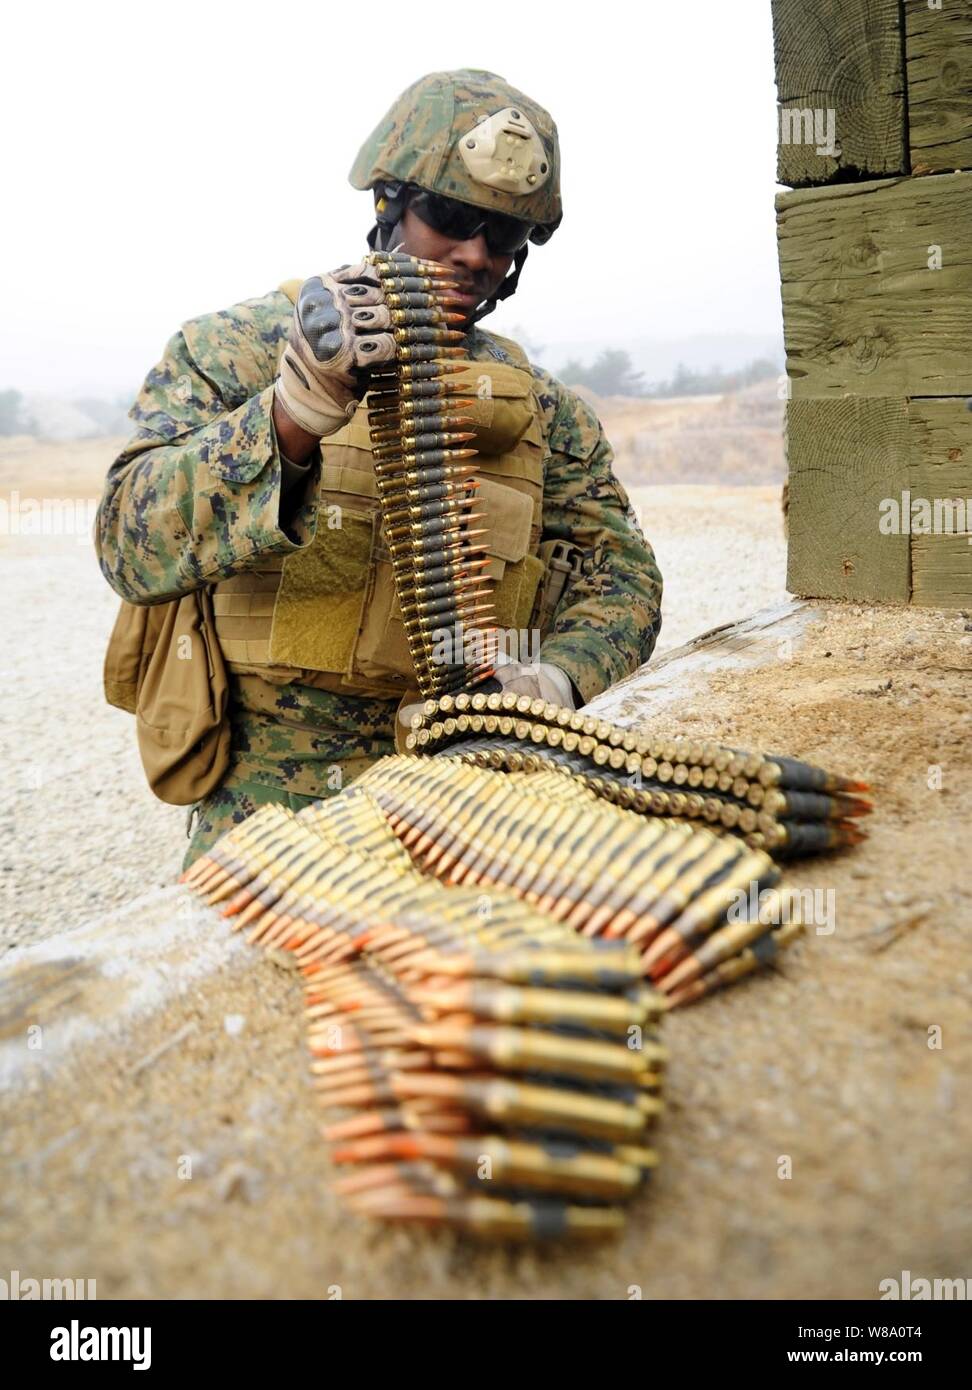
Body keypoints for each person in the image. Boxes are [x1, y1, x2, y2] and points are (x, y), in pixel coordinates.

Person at [95, 69, 663, 869]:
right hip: (272, 822)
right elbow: (127, 541)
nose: (475, 254)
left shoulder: (540, 404)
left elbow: (623, 579)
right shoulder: (241, 347)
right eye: (453, 216)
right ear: (388, 203)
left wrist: (558, 679)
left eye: (504, 237)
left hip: (470, 806)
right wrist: (287, 418)